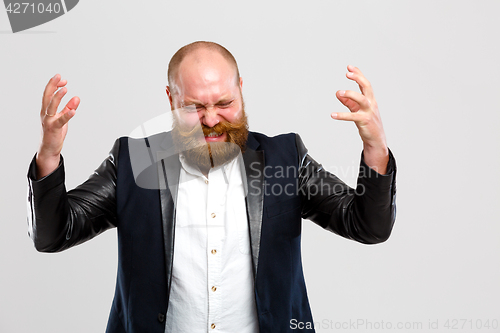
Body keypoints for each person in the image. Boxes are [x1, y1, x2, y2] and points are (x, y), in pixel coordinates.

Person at [27, 41, 397, 333]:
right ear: (171, 99)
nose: (211, 119)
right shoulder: (134, 160)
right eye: (194, 106)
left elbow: (368, 226)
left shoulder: (285, 157)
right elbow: (54, 234)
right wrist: (49, 154)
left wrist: (375, 148)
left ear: (241, 89)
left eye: (224, 103)